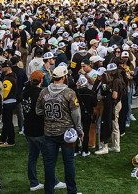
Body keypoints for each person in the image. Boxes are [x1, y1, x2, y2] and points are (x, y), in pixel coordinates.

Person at [36, 65, 84, 194]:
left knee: (49, 164)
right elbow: (76, 114)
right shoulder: (69, 93)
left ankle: (49, 191)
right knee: (69, 163)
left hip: (49, 133)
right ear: (63, 77)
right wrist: (79, 130)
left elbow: (38, 110)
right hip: (66, 133)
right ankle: (72, 191)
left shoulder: (44, 92)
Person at [22, 70, 64, 192]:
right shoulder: (41, 93)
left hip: (28, 129)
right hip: (39, 130)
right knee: (48, 158)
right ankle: (54, 181)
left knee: (33, 156)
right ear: (40, 80)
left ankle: (33, 182)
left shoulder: (25, 91)